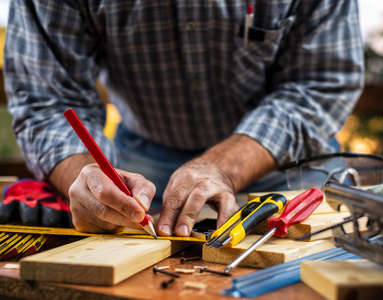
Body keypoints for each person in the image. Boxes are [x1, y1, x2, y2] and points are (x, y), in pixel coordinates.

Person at [4, 0, 364, 236]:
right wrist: (89, 181)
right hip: (144, 164)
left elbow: (319, 84)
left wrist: (224, 166)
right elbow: (47, 99)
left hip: (287, 164)